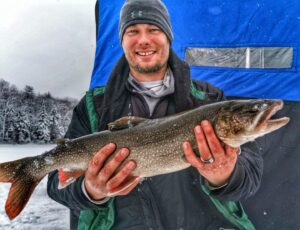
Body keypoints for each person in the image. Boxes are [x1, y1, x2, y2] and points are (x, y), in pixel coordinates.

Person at [47, 0, 263, 229]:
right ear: (122, 40)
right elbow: (55, 184)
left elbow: (250, 178)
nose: (143, 40)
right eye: (133, 31)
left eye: (153, 29)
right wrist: (90, 191)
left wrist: (226, 175)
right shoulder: (92, 106)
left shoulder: (210, 98)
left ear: (168, 37)